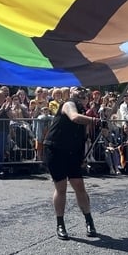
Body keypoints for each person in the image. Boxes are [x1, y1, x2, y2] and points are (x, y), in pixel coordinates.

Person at [42, 87, 99, 240]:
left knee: (79, 186)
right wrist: (95, 120)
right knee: (61, 188)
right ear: (72, 94)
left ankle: (89, 221)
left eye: (83, 90)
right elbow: (74, 117)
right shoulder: (68, 104)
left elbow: (83, 136)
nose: (80, 91)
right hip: (56, 149)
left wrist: (102, 126)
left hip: (73, 152)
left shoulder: (84, 112)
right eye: (77, 89)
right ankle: (60, 224)